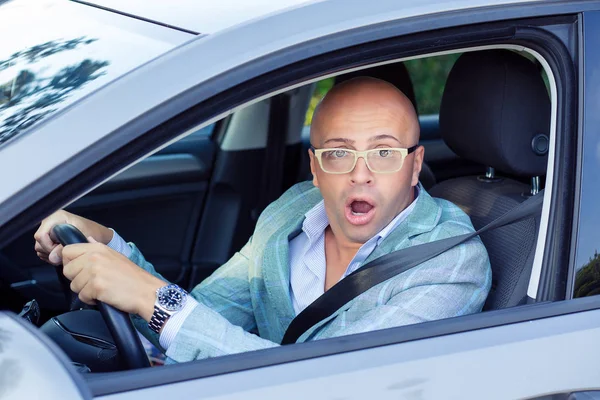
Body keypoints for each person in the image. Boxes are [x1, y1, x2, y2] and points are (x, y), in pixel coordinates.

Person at [34, 77, 492, 363]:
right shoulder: (291, 211)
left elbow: (327, 384)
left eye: (384, 152)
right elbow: (198, 314)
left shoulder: (451, 264)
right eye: (338, 152)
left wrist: (151, 298)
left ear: (415, 165)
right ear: (314, 168)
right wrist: (109, 249)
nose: (360, 174)